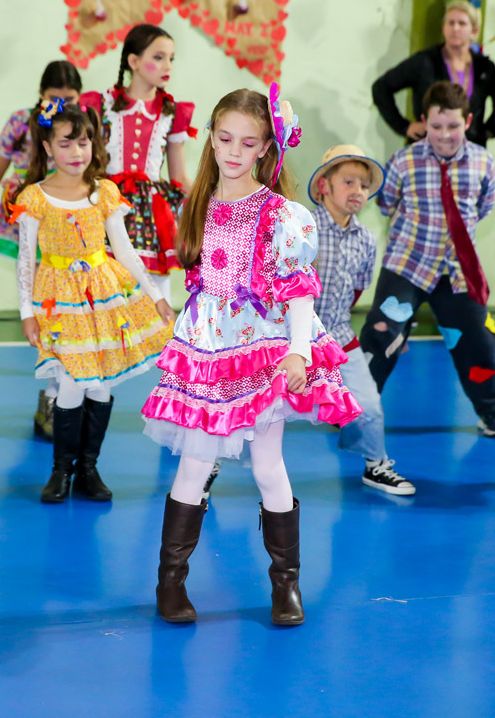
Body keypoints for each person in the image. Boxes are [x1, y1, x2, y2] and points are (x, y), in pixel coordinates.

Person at [142, 87, 362, 626]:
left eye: (248, 142)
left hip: (263, 350)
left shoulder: (283, 214)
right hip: (208, 350)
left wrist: (299, 352)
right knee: (195, 463)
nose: (234, 151)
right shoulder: (197, 204)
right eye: (225, 139)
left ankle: (286, 583)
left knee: (268, 466)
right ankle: (170, 581)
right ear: (211, 140)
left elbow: (298, 292)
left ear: (266, 147)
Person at [13, 100, 174, 503]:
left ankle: (88, 468)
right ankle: (61, 471)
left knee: (100, 385)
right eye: (65, 144)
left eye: (83, 142)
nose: (76, 152)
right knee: (71, 382)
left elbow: (126, 250)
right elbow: (26, 260)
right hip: (59, 302)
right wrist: (27, 313)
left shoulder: (104, 193)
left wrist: (155, 295)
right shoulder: (34, 197)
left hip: (103, 298)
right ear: (47, 147)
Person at [358, 81, 495, 438]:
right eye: (437, 126)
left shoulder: (483, 162)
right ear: (424, 122)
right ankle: (356, 410)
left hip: (457, 272)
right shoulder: (403, 161)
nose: (445, 135)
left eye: (454, 126)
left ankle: (492, 414)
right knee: (381, 332)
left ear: (468, 122)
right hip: (408, 266)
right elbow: (387, 204)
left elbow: (484, 206)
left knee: (479, 343)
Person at [0, 61, 84, 441]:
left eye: (70, 98)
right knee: (45, 305)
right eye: (54, 98)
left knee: (67, 307)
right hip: (28, 216)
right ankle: (51, 395)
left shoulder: (82, 125)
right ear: (41, 95)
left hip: (67, 219)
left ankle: (62, 393)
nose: (62, 105)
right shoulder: (21, 122)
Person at [309, 144, 414, 494]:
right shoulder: (302, 227)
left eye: (364, 185)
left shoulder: (366, 240)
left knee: (368, 403)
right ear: (324, 185)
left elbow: (356, 289)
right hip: (288, 339)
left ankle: (375, 464)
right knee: (254, 406)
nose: (358, 190)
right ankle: (208, 464)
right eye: (348, 182)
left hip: (338, 336)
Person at [80, 24, 196, 300]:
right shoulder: (101, 104)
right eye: (158, 57)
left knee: (154, 293)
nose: (167, 65)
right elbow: (84, 161)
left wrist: (211, 206)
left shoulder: (172, 113)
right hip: (106, 204)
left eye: (171, 58)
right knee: (105, 289)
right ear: (134, 61)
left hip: (151, 214)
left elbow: (179, 176)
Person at [372, 0, 495, 148]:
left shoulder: (484, 67)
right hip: (427, 148)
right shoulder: (425, 61)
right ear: (443, 28)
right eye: (450, 23)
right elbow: (381, 87)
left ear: (474, 31)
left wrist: (489, 130)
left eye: (462, 23)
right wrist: (404, 126)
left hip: (470, 149)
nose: (455, 28)